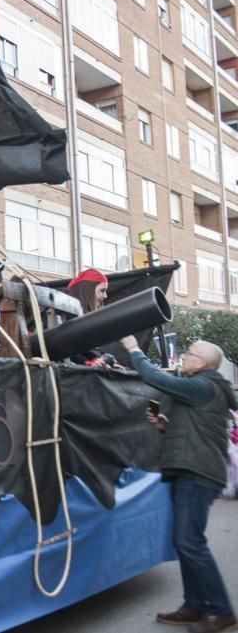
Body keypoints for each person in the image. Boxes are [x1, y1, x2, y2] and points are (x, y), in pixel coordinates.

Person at [120, 336, 236, 633]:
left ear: (204, 363)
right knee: (186, 542)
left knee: (190, 542)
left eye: (190, 353)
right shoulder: (204, 388)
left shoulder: (203, 385)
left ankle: (220, 610)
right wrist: (165, 426)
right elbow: (199, 430)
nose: (184, 356)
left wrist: (134, 349)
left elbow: (154, 377)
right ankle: (195, 605)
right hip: (191, 470)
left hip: (197, 473)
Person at [66, 268, 113, 366]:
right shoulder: (67, 314)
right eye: (102, 290)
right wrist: (86, 362)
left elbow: (87, 349)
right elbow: (65, 347)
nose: (105, 296)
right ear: (88, 290)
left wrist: (104, 359)